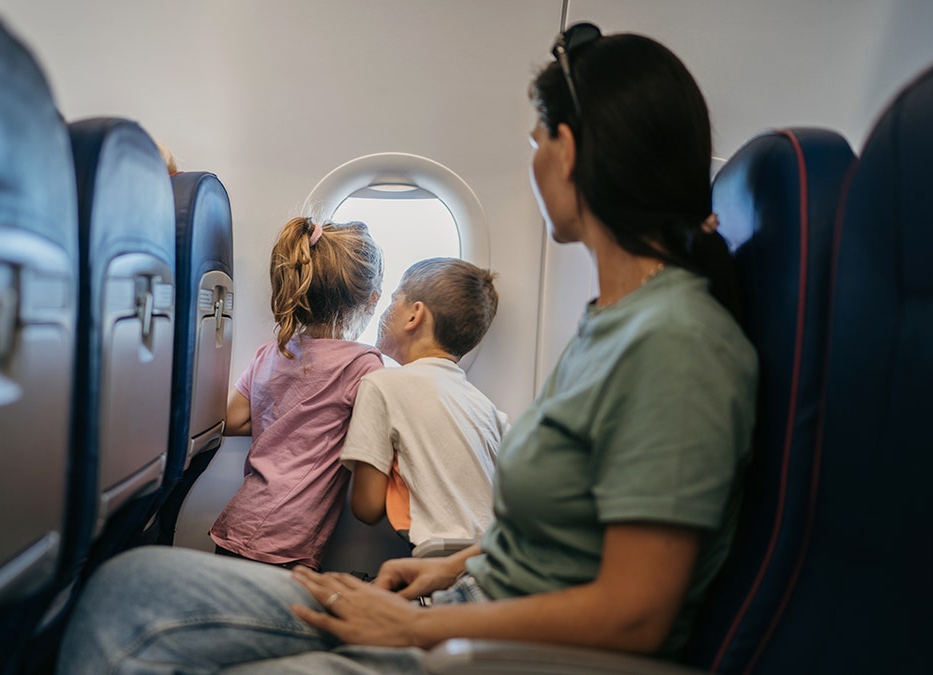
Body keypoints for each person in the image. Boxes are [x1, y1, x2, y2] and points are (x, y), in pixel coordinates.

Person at [57, 26, 757, 674]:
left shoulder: (677, 343)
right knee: (126, 587)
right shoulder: (612, 323)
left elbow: (636, 612)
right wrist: (444, 571)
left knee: (129, 617)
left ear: (568, 151)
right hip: (460, 604)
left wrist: (414, 627)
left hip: (490, 647)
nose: (534, 157)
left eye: (537, 138)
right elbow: (556, 541)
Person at [209, 216, 384, 571]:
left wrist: (287, 421)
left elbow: (232, 419)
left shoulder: (272, 353)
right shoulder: (363, 365)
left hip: (242, 519)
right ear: (371, 300)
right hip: (282, 540)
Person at [342, 257, 507, 548]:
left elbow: (366, 508)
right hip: (493, 560)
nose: (386, 310)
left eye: (394, 300)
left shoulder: (382, 384)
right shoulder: (489, 411)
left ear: (414, 315)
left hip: (440, 563)